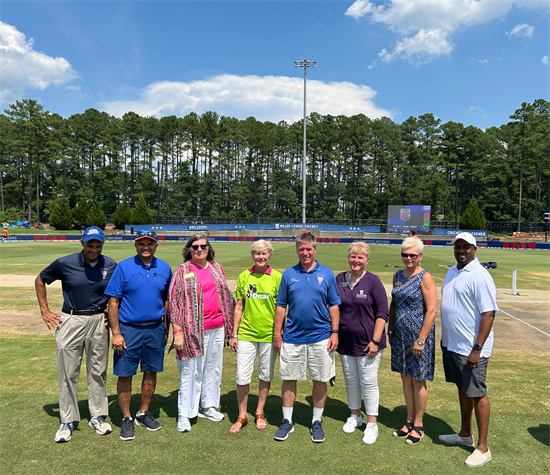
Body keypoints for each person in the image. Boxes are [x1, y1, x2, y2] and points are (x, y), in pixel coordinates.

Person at [35, 226, 116, 443]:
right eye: (90, 245)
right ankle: (67, 420)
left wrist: (112, 315)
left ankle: (97, 416)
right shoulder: (64, 262)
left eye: (98, 245)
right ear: (82, 243)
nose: (94, 250)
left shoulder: (110, 264)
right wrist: (44, 310)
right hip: (70, 320)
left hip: (99, 321)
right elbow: (40, 279)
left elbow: (115, 294)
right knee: (68, 372)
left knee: (98, 371)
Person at [273, 232, 341, 444]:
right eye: (301, 249)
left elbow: (334, 305)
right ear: (297, 251)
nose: (305, 253)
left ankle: (316, 422)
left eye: (308, 249)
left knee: (320, 379)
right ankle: (287, 421)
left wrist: (335, 332)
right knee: (289, 378)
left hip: (321, 336)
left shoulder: (327, 274)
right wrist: (277, 333)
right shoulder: (288, 274)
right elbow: (281, 306)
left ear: (314, 250)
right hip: (293, 337)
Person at [105, 231, 173, 441]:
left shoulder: (164, 268)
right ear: (136, 246)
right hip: (129, 330)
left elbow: (166, 299)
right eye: (141, 244)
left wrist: (167, 328)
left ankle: (143, 413)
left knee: (151, 371)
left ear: (156, 246)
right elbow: (113, 301)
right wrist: (116, 333)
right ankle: (126, 418)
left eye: (149, 244)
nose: (146, 247)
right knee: (125, 373)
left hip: (155, 329)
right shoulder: (124, 267)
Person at [438, 232, 498, 468]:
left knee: (477, 392)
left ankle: (483, 448)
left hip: (470, 348)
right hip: (452, 344)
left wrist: (477, 348)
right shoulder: (453, 270)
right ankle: (465, 434)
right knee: (462, 388)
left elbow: (488, 314)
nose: (461, 250)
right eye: (457, 247)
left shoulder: (480, 275)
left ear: (475, 249)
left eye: (466, 247)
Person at [169, 233, 234, 433]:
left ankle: (207, 405)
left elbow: (226, 297)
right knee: (191, 372)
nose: (199, 250)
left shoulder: (217, 267)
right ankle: (185, 413)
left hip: (217, 327)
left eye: (203, 246)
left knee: (213, 369)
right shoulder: (183, 270)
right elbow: (174, 303)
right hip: (192, 331)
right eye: (195, 246)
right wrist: (177, 331)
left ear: (208, 248)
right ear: (189, 249)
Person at [336, 242, 388, 445]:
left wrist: (375, 340)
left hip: (368, 343)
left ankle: (372, 423)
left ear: (367, 260)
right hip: (345, 341)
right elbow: (333, 306)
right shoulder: (339, 279)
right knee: (350, 380)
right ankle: (355, 415)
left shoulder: (373, 282)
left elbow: (382, 313)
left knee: (368, 382)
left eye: (360, 257)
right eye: (353, 256)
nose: (356, 260)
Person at [229, 240, 282, 433]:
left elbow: (281, 309)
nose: (261, 257)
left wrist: (278, 334)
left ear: (269, 255)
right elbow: (239, 307)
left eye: (264, 253)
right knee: (242, 376)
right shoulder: (245, 276)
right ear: (252, 255)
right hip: (246, 334)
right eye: (257, 253)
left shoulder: (277, 277)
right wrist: (234, 333)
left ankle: (260, 411)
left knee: (265, 374)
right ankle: (242, 415)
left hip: (269, 335)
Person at [388, 237, 437, 445]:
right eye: (405, 254)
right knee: (405, 378)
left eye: (412, 255)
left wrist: (421, 339)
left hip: (419, 338)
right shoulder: (398, 275)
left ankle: (418, 424)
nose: (408, 258)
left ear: (420, 257)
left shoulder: (425, 277)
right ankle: (408, 421)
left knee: (418, 379)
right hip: (399, 336)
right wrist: (390, 329)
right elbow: (394, 304)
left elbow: (432, 310)